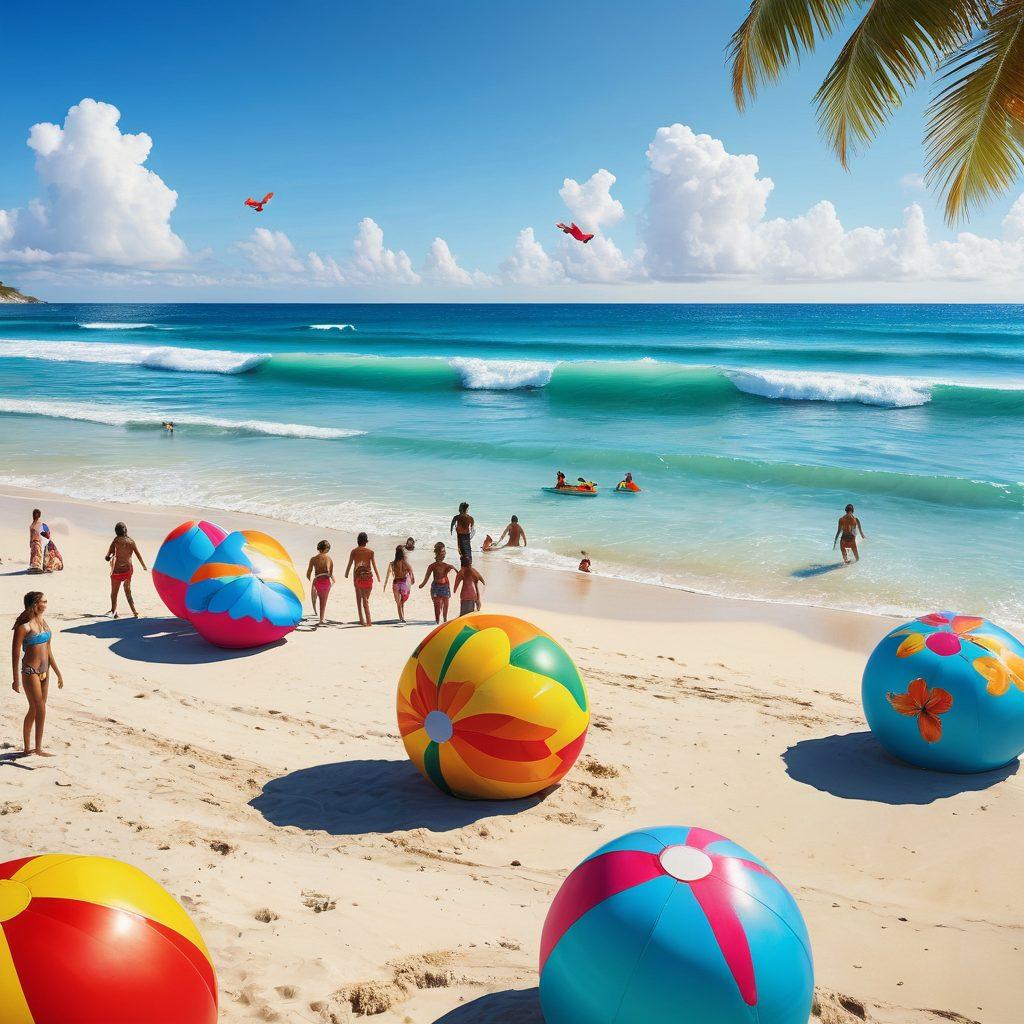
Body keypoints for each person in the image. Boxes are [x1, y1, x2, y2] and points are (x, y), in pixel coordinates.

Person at [11, 591, 64, 757]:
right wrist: (15, 679)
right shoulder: (23, 627)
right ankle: (38, 749)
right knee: (40, 709)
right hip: (30, 671)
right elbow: (15, 653)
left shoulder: (44, 623)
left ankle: (28, 748)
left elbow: (48, 650)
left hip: (45, 671)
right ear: (35, 604)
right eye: (44, 602)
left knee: (35, 709)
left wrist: (57, 672)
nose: (46, 604)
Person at [105, 522, 148, 618]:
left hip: (116, 572)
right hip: (128, 571)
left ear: (116, 531)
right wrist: (143, 566)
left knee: (114, 593)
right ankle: (134, 611)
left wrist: (108, 557)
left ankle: (114, 612)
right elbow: (138, 555)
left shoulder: (115, 541)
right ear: (126, 530)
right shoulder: (131, 542)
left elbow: (108, 555)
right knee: (127, 590)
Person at [345, 532, 380, 626]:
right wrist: (378, 576)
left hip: (357, 575)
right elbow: (374, 566)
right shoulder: (370, 552)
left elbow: (350, 564)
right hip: (367, 576)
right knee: (365, 598)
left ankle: (361, 618)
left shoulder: (354, 551)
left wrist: (346, 573)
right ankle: (366, 618)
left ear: (358, 541)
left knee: (358, 597)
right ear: (366, 541)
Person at [419, 542, 456, 624]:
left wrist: (453, 569)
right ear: (438, 553)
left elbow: (457, 573)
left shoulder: (446, 565)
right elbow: (427, 577)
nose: (445, 554)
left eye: (445, 552)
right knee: (437, 604)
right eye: (443, 552)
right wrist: (423, 584)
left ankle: (445, 618)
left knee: (446, 603)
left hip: (445, 586)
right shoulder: (432, 566)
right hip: (436, 587)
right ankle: (437, 620)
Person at [384, 545, 417, 623]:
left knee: (398, 602)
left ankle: (402, 617)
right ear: (402, 554)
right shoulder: (404, 562)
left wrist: (385, 585)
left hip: (396, 582)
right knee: (402, 601)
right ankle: (402, 617)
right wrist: (412, 578)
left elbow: (388, 575)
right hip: (404, 583)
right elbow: (410, 570)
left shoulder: (392, 563)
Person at [306, 540, 335, 625]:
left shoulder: (313, 559)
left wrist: (313, 581)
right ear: (326, 549)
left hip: (317, 581)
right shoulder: (329, 558)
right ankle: (321, 619)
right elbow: (330, 573)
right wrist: (333, 580)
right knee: (323, 601)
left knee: (317, 598)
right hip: (325, 582)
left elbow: (308, 573)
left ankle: (316, 611)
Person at [28, 509, 44, 573]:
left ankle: (36, 566)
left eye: (37, 514)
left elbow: (42, 533)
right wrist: (30, 541)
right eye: (35, 513)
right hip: (33, 541)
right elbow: (31, 534)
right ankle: (33, 566)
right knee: (34, 553)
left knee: (37, 553)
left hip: (37, 540)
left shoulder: (39, 523)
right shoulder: (33, 523)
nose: (36, 515)